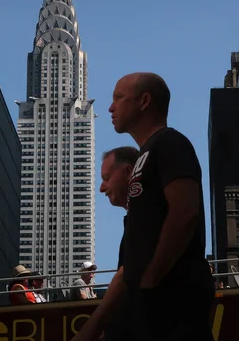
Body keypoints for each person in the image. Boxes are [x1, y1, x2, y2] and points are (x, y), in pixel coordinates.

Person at [85, 72, 214, 341]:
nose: (110, 107)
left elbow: (185, 212)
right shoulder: (147, 154)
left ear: (144, 101)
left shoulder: (169, 143)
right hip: (148, 313)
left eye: (118, 98)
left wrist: (151, 278)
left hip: (174, 309)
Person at [72, 146, 138, 341]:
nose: (102, 188)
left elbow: (125, 277)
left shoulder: (145, 216)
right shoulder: (137, 217)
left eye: (107, 178)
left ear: (128, 172)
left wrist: (86, 334)